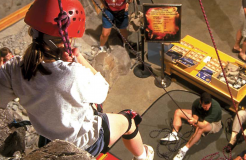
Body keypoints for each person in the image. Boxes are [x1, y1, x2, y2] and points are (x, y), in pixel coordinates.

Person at [0, 0, 154, 159]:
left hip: (49, 138)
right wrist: (78, 58)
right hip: (84, 142)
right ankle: (143, 156)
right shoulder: (72, 73)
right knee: (128, 120)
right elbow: (102, 90)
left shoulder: (13, 68)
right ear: (67, 39)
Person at [159, 92, 222, 160]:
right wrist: (194, 120)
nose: (207, 108)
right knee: (178, 112)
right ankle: (174, 134)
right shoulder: (196, 103)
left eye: (208, 106)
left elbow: (203, 125)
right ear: (200, 102)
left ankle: (184, 150)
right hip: (202, 116)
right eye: (204, 106)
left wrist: (196, 122)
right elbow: (196, 114)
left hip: (214, 123)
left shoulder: (215, 109)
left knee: (200, 129)